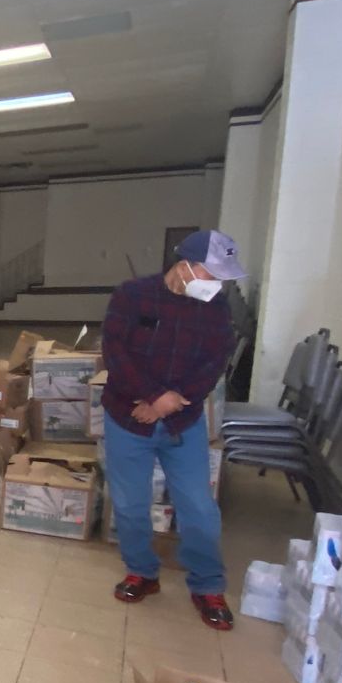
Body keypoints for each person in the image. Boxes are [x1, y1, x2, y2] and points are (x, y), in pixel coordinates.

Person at [100, 229, 246, 630]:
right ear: (183, 266)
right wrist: (151, 396)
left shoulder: (215, 308)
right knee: (130, 504)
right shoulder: (133, 295)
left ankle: (207, 585)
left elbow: (216, 361)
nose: (216, 284)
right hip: (128, 416)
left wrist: (172, 400)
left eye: (222, 277)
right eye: (210, 273)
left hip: (183, 421)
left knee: (198, 506)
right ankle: (142, 573)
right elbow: (115, 352)